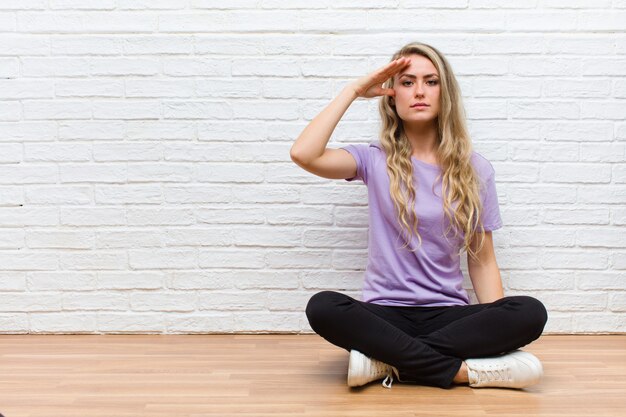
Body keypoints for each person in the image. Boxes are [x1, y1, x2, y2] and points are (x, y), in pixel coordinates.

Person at [289, 42, 548, 390]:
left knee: (530, 312)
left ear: (446, 93)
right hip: (385, 315)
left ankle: (385, 362)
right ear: (392, 95)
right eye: (407, 82)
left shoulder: (475, 170)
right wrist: (352, 91)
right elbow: (304, 154)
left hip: (449, 316)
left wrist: (496, 329)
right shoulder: (373, 159)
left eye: (431, 81)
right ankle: (460, 372)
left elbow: (483, 261)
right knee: (322, 306)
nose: (420, 91)